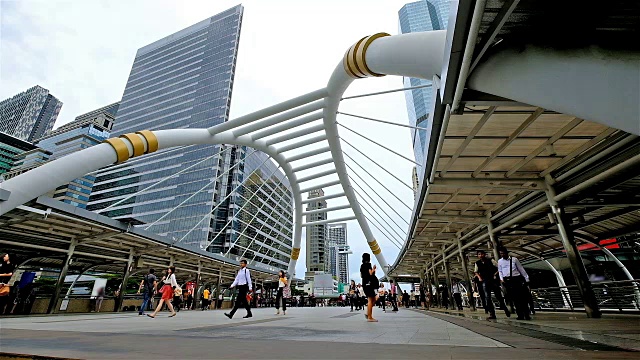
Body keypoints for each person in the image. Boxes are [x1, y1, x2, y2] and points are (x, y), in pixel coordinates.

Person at [475, 250, 510, 320]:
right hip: (485, 280)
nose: (480, 255)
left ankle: (504, 308)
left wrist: (495, 274)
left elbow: (499, 267)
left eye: (482, 254)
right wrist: (479, 278)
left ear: (484, 254)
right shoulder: (477, 263)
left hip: (492, 280)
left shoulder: (491, 260)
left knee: (498, 295)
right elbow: (476, 271)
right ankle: (492, 313)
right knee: (487, 297)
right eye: (479, 254)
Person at [498, 247, 531, 320]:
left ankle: (526, 314)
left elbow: (521, 269)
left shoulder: (514, 260)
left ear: (507, 253)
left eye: (503, 253)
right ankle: (520, 315)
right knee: (515, 299)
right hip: (507, 281)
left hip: (516, 279)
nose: (502, 255)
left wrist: (526, 278)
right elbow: (500, 270)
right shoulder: (500, 261)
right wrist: (501, 278)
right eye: (501, 254)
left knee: (522, 298)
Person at [360, 253, 378, 322]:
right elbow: (371, 273)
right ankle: (370, 317)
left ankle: (368, 314)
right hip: (369, 284)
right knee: (371, 300)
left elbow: (361, 275)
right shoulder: (368, 265)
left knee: (372, 299)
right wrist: (373, 269)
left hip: (364, 283)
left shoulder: (361, 266)